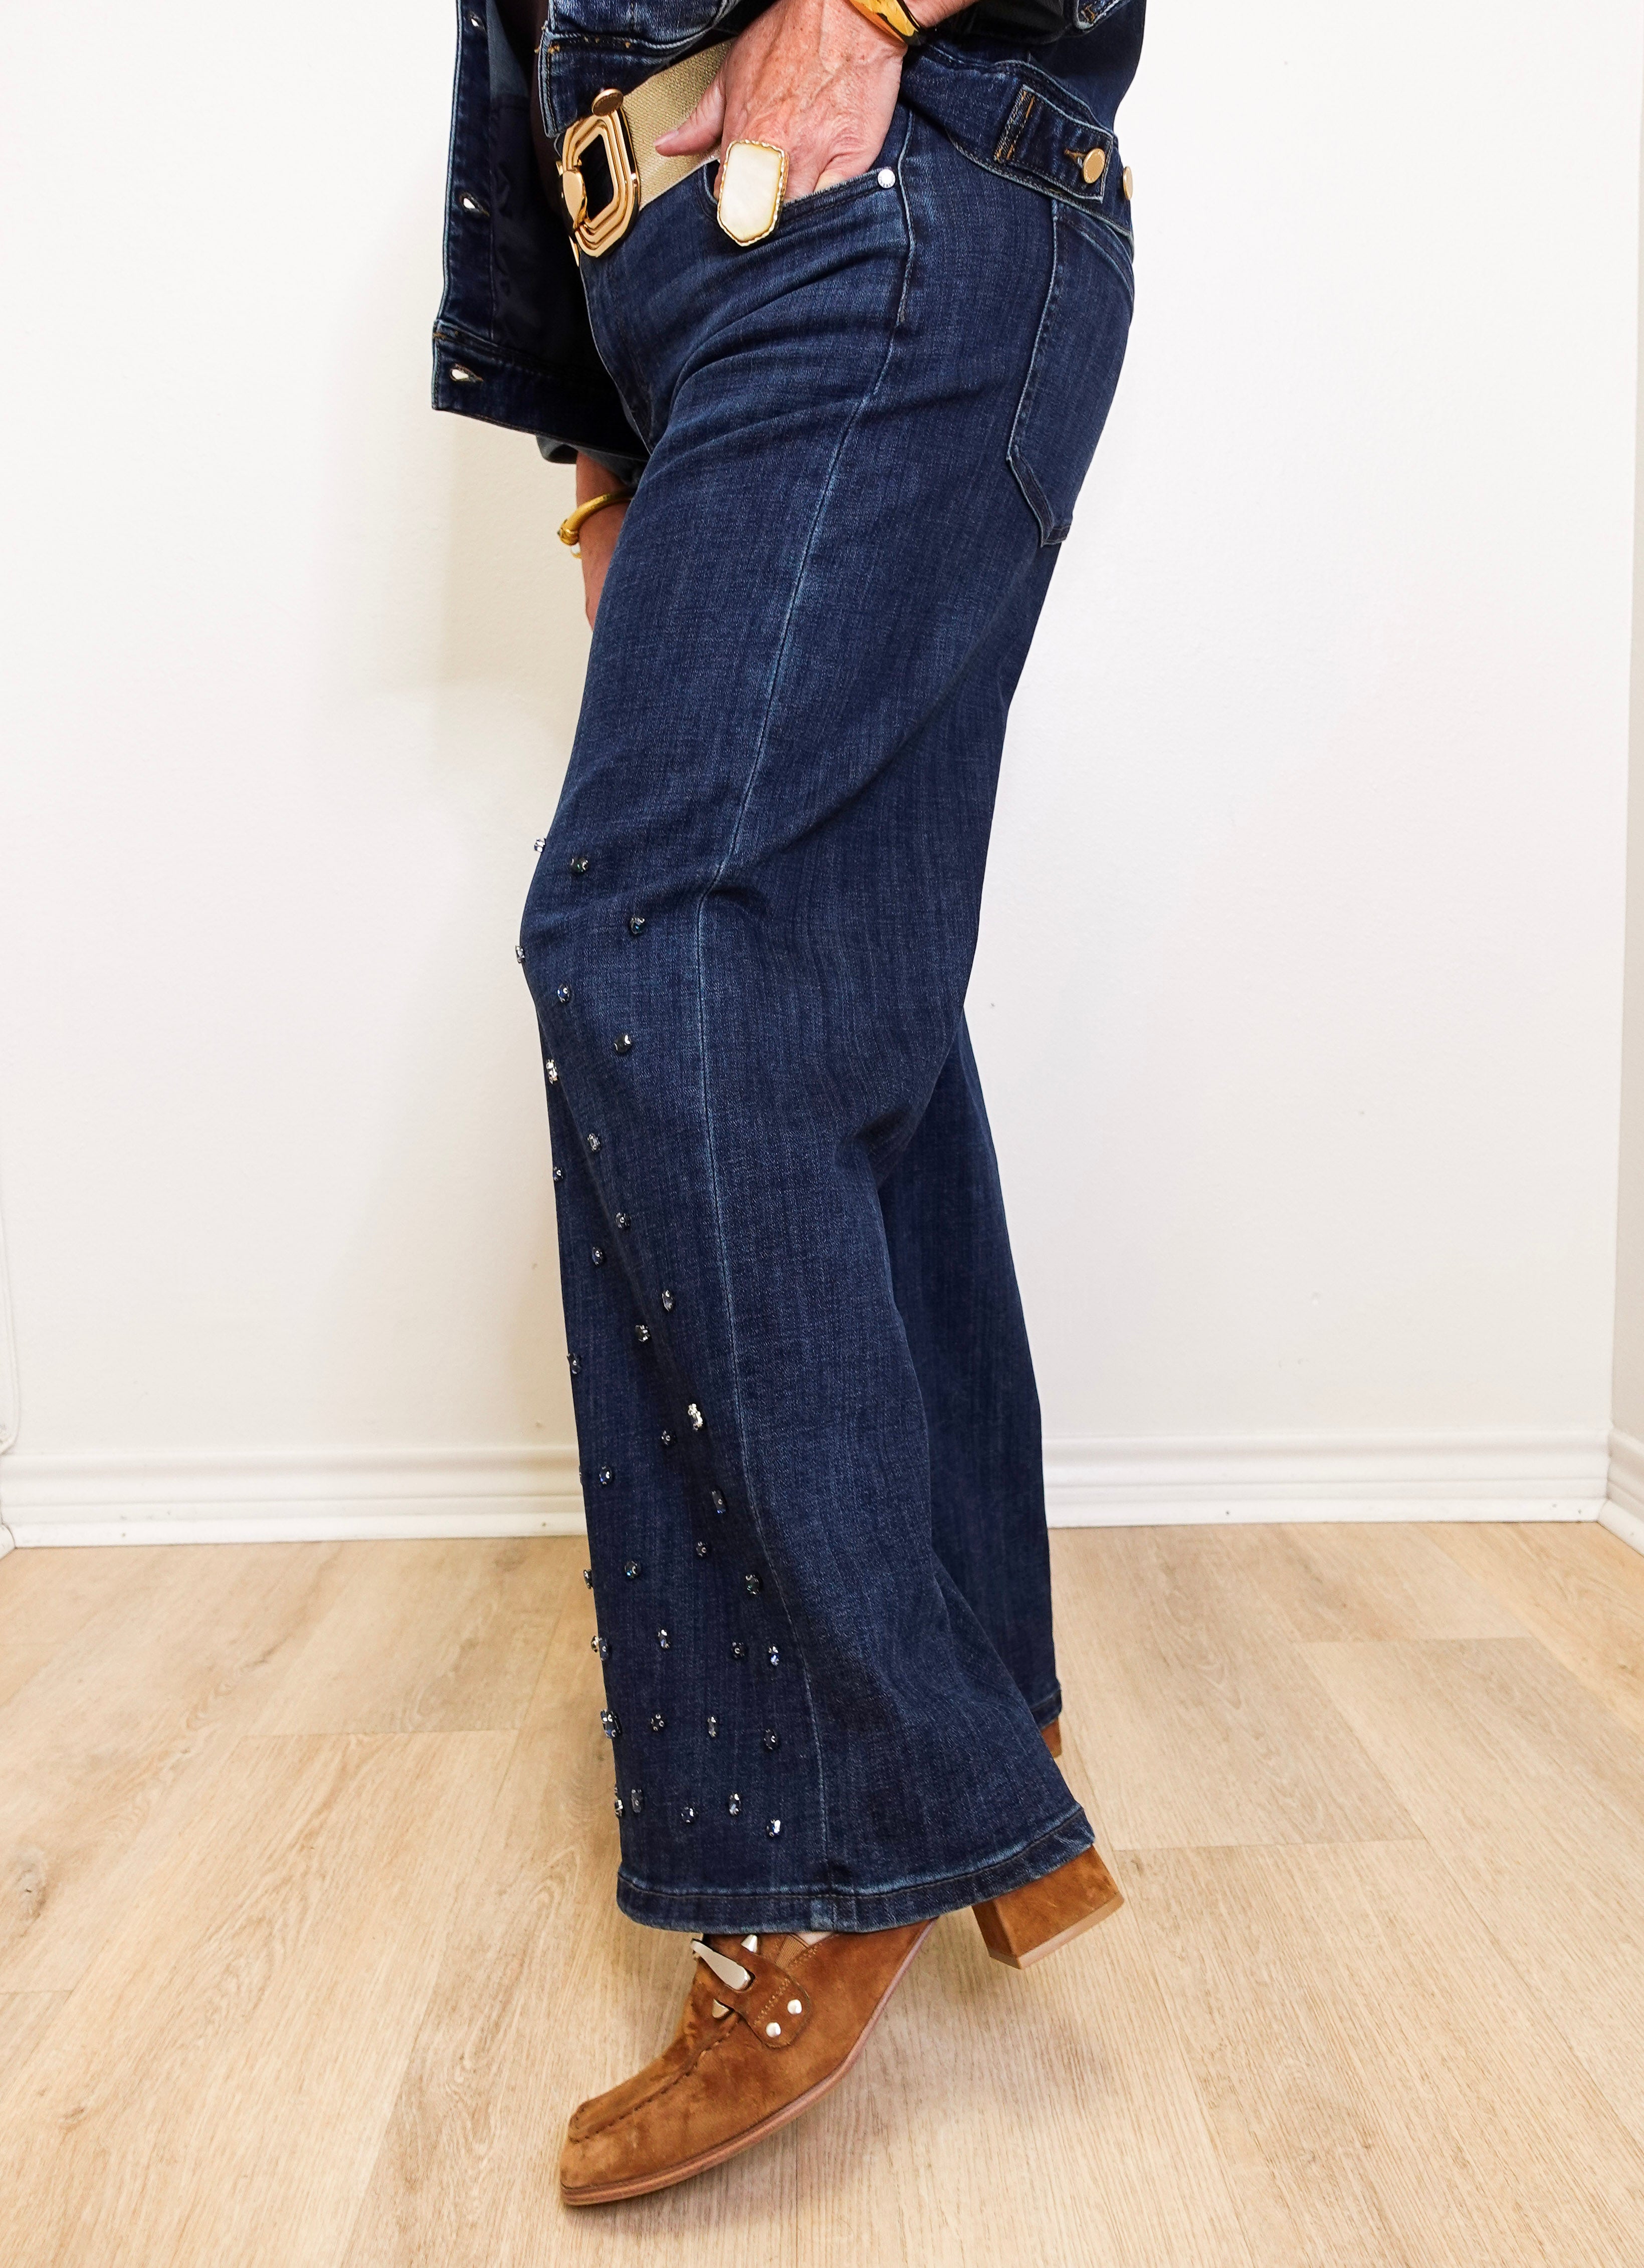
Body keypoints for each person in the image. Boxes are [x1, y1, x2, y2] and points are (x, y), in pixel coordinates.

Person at [434, 0, 1143, 2205]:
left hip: (877, 191)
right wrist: (598, 455)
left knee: (658, 950)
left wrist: (867, 7)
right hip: (721, 285)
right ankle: (974, 1706)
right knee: (830, 984)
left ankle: (845, 1823)